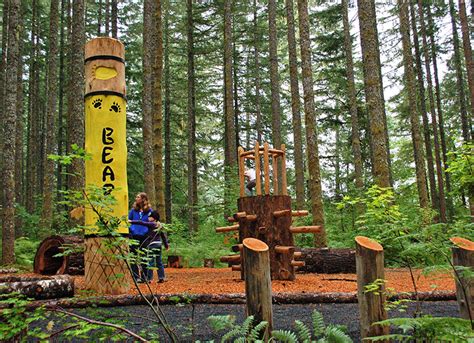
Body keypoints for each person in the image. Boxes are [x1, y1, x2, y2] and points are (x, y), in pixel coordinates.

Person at [128, 192, 152, 283]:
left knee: (144, 256)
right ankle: (136, 276)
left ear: (143, 199)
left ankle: (144, 277)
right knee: (133, 256)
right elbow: (128, 221)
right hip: (134, 236)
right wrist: (131, 230)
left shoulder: (149, 211)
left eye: (138, 197)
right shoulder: (133, 210)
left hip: (144, 236)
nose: (136, 198)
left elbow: (152, 222)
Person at [144, 210, 169, 283]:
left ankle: (149, 279)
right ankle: (161, 277)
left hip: (152, 245)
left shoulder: (151, 224)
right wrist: (166, 245)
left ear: (154, 218)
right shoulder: (159, 225)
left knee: (150, 262)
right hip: (159, 244)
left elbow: (141, 223)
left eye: (150, 217)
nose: (148, 218)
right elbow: (163, 236)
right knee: (159, 261)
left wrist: (131, 221)